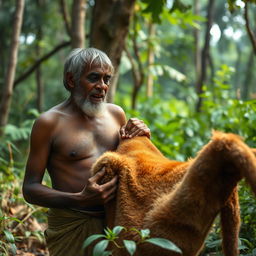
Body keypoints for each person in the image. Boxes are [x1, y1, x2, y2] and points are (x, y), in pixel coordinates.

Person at [22, 48, 151, 256]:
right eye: (94, 78)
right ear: (71, 80)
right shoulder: (49, 123)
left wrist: (141, 137)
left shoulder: (116, 114)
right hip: (73, 224)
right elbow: (29, 189)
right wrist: (79, 199)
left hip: (116, 222)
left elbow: (130, 160)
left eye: (107, 79)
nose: (102, 86)